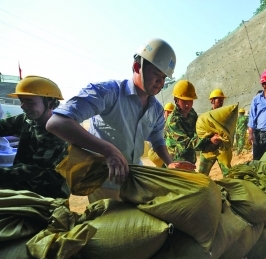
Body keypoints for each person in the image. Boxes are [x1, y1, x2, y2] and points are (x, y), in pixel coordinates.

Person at [46, 38, 195, 203]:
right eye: (156, 74)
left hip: (135, 181)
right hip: (104, 183)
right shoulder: (108, 92)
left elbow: (157, 140)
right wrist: (108, 150)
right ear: (137, 67)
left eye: (164, 77)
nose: (160, 82)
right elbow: (57, 122)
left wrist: (170, 162)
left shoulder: (156, 110)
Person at [0, 76, 69, 199]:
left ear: (50, 103)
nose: (23, 106)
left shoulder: (61, 132)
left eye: (29, 101)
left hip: (45, 198)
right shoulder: (27, 119)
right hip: (19, 190)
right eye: (21, 100)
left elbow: (34, 169)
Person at [165, 80, 201, 164]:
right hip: (177, 163)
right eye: (184, 101)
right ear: (176, 100)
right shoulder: (173, 120)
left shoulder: (192, 113)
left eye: (190, 101)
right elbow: (186, 144)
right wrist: (208, 141)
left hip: (190, 160)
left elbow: (198, 130)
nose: (188, 105)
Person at [198, 88, 230, 177]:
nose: (221, 102)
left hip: (222, 149)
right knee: (202, 175)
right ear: (212, 101)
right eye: (219, 100)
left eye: (222, 100)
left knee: (228, 174)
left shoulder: (225, 114)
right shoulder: (206, 116)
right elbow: (202, 133)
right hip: (208, 149)